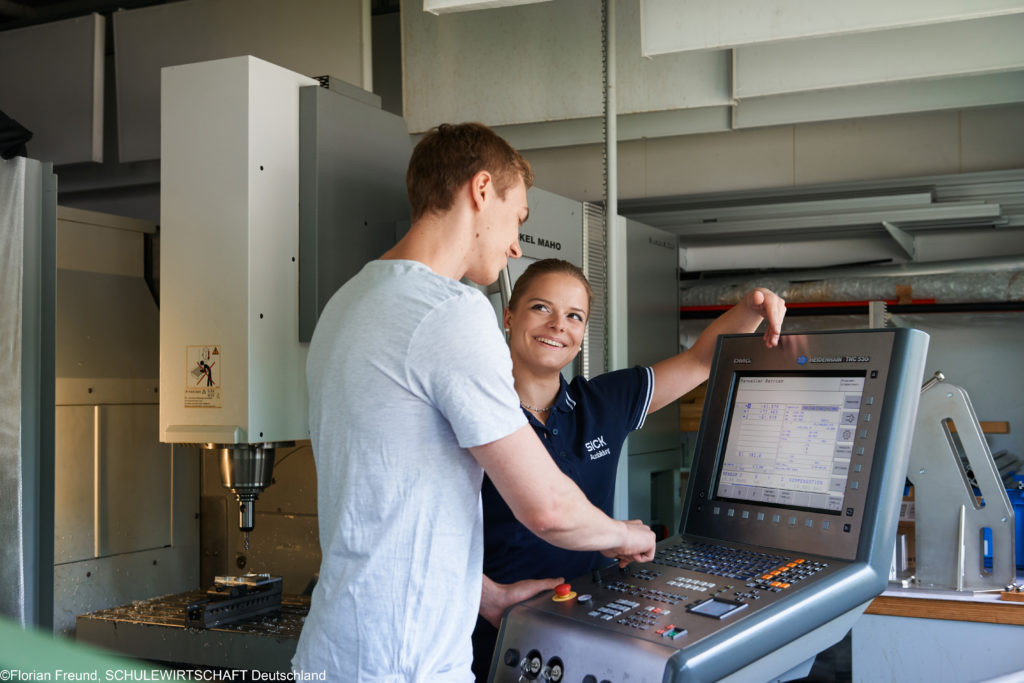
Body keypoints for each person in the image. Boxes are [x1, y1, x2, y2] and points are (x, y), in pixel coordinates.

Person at [291, 124, 656, 682]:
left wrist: (482, 594)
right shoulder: (451, 311)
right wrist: (628, 534)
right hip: (406, 662)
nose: (514, 245)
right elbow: (548, 508)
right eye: (518, 218)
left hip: (334, 652)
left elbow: (389, 501)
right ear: (481, 190)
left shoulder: (348, 303)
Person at [470, 259, 787, 679]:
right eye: (541, 308)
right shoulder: (472, 409)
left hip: (585, 629)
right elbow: (421, 531)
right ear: (509, 316)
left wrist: (753, 304)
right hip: (489, 632)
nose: (558, 325)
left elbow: (698, 361)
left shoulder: (603, 402)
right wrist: (487, 597)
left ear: (582, 335)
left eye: (573, 316)